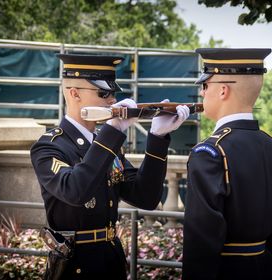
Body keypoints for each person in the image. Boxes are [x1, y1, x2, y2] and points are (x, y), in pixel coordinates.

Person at [30, 53, 189, 279]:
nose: (112, 100)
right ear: (74, 93)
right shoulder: (49, 147)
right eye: (103, 93)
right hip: (76, 265)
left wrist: (157, 138)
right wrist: (112, 132)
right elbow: (76, 190)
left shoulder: (105, 144)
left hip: (111, 257)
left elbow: (146, 197)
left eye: (113, 93)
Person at [182, 48, 272, 280]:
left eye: (205, 86)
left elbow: (201, 242)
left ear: (223, 90)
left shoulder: (209, 152)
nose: (202, 93)